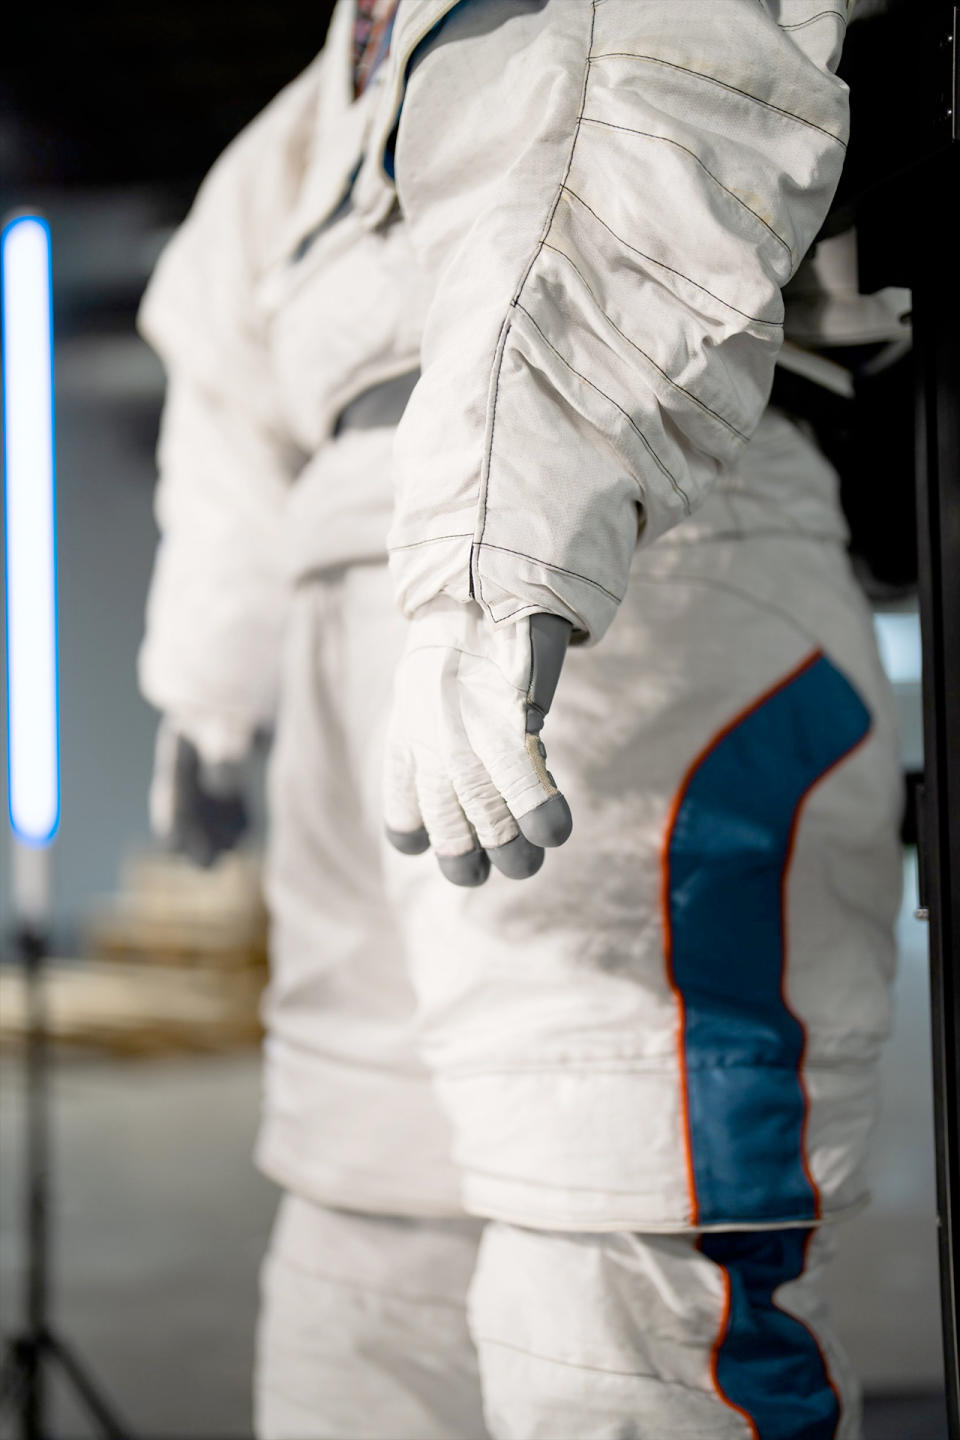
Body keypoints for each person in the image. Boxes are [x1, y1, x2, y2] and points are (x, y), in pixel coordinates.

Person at [139, 2, 903, 1435]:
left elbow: (636, 145)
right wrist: (209, 682)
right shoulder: (315, 113)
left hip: (634, 563)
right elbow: (224, 383)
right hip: (365, 600)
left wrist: (497, 564)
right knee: (367, 1229)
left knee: (608, 1254)